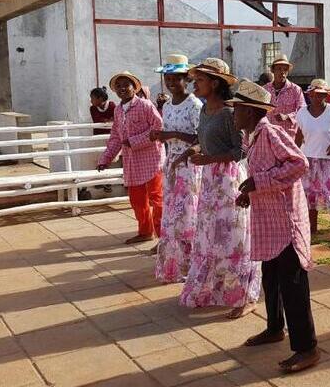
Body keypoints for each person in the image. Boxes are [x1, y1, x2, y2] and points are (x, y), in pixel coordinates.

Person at [230, 81, 320, 374]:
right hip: (268, 219)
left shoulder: (270, 132)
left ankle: (307, 348)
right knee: (271, 278)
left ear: (252, 111)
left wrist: (260, 183)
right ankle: (274, 328)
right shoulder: (253, 136)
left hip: (285, 220)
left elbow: (299, 164)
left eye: (238, 110)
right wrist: (249, 192)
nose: (234, 115)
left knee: (293, 284)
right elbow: (261, 172)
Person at [179, 58, 261, 319]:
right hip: (210, 182)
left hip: (228, 180)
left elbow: (240, 151)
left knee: (233, 237)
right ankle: (215, 289)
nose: (195, 84)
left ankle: (244, 295)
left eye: (200, 80)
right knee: (210, 236)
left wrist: (210, 158)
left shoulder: (228, 113)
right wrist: (195, 149)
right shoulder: (205, 110)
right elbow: (206, 142)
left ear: (215, 84)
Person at [150, 54, 203, 282]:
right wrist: (162, 137)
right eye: (167, 79)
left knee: (188, 214)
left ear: (186, 79)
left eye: (175, 79)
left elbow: (201, 138)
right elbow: (169, 135)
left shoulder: (195, 105)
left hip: (190, 166)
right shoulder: (168, 105)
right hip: (172, 164)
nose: (171, 83)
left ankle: (192, 263)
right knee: (172, 215)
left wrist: (170, 134)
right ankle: (175, 262)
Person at [97, 71, 165, 244]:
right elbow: (115, 137)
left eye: (125, 85)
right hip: (132, 163)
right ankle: (145, 231)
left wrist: (134, 141)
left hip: (152, 160)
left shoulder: (146, 105)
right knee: (137, 200)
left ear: (135, 87)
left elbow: (158, 129)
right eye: (118, 86)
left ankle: (164, 238)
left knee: (157, 200)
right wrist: (105, 159)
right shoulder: (119, 110)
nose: (122, 89)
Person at [295, 79, 330, 243]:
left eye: (322, 95)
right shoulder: (302, 113)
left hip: (328, 161)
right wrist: (295, 155)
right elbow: (299, 136)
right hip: (309, 159)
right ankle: (312, 227)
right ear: (309, 94)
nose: (318, 98)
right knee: (309, 195)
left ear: (327, 96)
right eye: (315, 94)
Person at [264, 54, 305, 138]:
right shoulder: (265, 89)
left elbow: (303, 112)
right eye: (279, 69)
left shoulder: (295, 90)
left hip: (288, 137)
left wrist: (287, 116)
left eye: (285, 69)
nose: (282, 72)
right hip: (268, 137)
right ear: (273, 70)